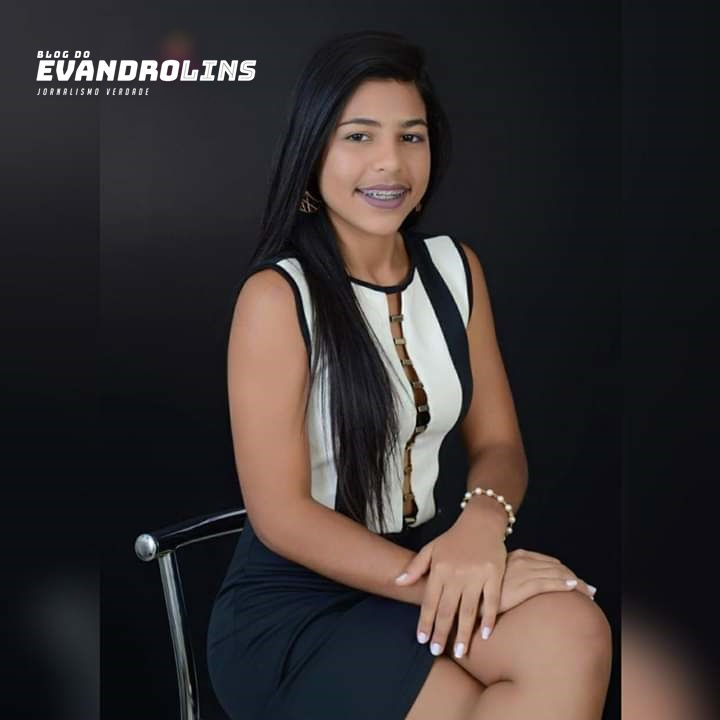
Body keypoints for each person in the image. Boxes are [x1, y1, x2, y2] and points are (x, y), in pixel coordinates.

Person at [207, 30, 612, 720]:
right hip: (295, 607)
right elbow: (281, 517)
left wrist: (481, 530)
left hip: (428, 558)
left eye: (411, 137)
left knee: (575, 632)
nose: (390, 162)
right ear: (312, 153)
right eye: (359, 136)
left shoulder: (456, 269)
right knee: (463, 702)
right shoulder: (277, 297)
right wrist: (450, 581)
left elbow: (500, 446)